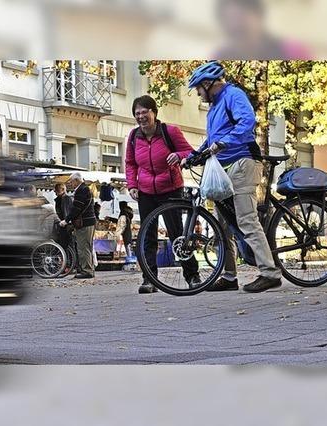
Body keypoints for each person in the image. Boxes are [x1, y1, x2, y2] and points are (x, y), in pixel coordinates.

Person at [184, 60, 282, 293]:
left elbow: (246, 123)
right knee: (221, 224)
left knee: (247, 220)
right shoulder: (214, 106)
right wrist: (196, 154)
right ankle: (229, 276)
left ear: (208, 83)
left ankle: (270, 273)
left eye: (198, 88)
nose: (198, 94)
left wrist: (224, 143)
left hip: (243, 162)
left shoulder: (233, 95)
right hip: (224, 168)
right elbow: (214, 138)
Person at [125, 95, 200, 294]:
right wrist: (132, 184)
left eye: (144, 112)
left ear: (154, 113)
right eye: (137, 113)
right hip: (146, 191)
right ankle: (149, 279)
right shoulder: (133, 137)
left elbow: (189, 152)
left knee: (178, 235)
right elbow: (130, 163)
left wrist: (179, 155)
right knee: (147, 236)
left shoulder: (170, 132)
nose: (141, 117)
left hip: (170, 189)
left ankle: (192, 276)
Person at [215, 0, 311, 60]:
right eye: (229, 19)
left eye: (240, 17)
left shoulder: (292, 51)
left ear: (259, 16)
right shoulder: (219, 57)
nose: (234, 25)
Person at [60, 172, 96, 279]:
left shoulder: (81, 190)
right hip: (89, 222)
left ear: (76, 180)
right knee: (87, 247)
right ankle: (89, 269)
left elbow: (76, 208)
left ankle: (86, 271)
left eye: (71, 181)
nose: (70, 184)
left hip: (85, 223)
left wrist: (66, 220)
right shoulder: (85, 189)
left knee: (83, 247)